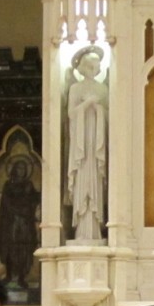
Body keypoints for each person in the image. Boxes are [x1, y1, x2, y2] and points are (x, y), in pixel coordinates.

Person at [66, 46, 108, 241]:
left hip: (96, 140)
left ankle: (95, 229)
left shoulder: (103, 89)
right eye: (90, 65)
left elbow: (109, 116)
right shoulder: (75, 88)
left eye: (96, 65)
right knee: (82, 175)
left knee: (96, 177)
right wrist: (87, 104)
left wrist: (99, 108)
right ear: (83, 67)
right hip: (80, 144)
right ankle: (81, 229)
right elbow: (71, 114)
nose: (93, 68)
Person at [0, 155, 40, 286]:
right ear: (14, 169)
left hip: (24, 223)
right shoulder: (8, 185)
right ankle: (9, 275)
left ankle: (21, 277)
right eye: (19, 168)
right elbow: (6, 203)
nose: (21, 171)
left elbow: (34, 200)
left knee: (23, 250)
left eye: (23, 168)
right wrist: (17, 210)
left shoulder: (28, 185)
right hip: (11, 222)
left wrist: (35, 197)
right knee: (10, 248)